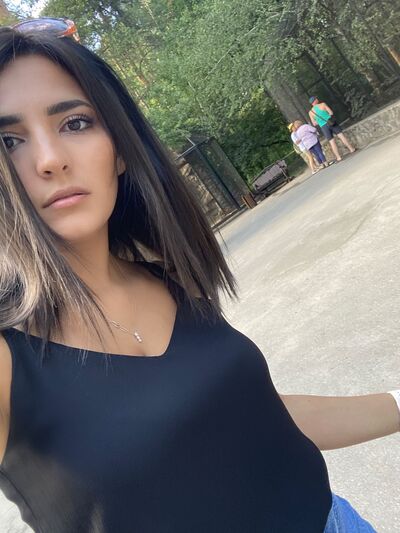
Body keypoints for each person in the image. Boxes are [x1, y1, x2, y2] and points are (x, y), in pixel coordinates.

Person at [0, 18, 399, 533]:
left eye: (75, 123)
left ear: (119, 149)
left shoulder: (168, 277)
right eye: (9, 141)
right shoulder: (9, 356)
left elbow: (252, 417)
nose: (50, 159)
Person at [309, 96, 356, 162]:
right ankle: (351, 149)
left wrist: (320, 121)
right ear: (315, 100)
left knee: (332, 142)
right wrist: (326, 116)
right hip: (331, 122)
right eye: (316, 98)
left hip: (324, 127)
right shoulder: (323, 104)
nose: (317, 99)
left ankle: (338, 157)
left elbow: (314, 123)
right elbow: (331, 112)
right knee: (341, 136)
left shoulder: (311, 112)